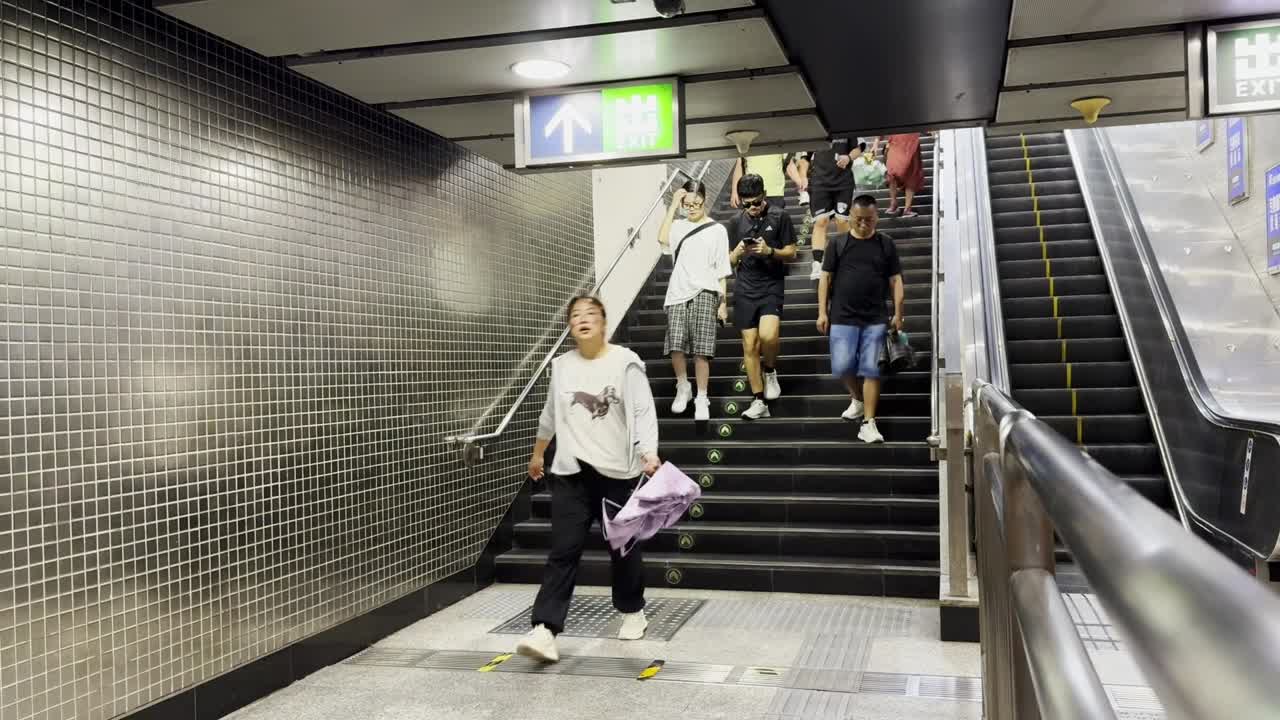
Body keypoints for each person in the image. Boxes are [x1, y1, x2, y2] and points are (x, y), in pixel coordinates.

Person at [518, 296, 662, 663]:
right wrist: (538, 453)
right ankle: (545, 629)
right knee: (563, 550)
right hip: (571, 472)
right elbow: (551, 413)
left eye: (590, 315)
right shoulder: (561, 366)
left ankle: (632, 610)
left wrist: (649, 452)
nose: (582, 320)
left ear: (603, 323)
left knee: (622, 547)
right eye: (575, 316)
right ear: (570, 326)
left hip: (618, 471)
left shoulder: (625, 361)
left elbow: (642, 410)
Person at [815, 194, 904, 444]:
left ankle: (868, 422)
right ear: (851, 218)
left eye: (869, 219)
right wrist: (822, 311)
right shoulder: (837, 243)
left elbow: (896, 280)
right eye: (858, 219)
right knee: (842, 366)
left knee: (871, 369)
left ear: (877, 218)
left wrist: (899, 313)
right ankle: (857, 398)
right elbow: (825, 278)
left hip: (875, 317)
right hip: (842, 316)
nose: (864, 224)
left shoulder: (886, 244)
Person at [658, 179, 731, 422]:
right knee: (676, 345)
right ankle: (683, 386)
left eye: (696, 203)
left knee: (702, 350)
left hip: (706, 292)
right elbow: (662, 239)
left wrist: (723, 302)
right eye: (687, 204)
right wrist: (671, 206)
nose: (691, 208)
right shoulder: (678, 226)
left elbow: (721, 269)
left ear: (704, 200)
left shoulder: (717, 230)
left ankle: (702, 397)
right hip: (677, 292)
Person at [728, 173, 798, 420]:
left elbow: (792, 252)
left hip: (771, 284)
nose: (753, 208)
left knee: (768, 336)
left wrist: (770, 251)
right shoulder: (735, 222)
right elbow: (728, 261)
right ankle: (758, 401)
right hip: (744, 287)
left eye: (756, 202)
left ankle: (770, 370)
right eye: (747, 204)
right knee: (749, 345)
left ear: (764, 195)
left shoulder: (781, 216)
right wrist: (737, 251)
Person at [795, 137, 855, 280]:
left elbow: (858, 148)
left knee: (842, 221)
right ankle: (817, 263)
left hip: (843, 182)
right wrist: (803, 177)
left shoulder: (847, 126)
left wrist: (849, 157)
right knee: (821, 222)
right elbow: (804, 159)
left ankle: (845, 259)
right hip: (819, 183)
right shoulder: (814, 131)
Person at [730, 153, 802, 209]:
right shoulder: (747, 140)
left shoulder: (779, 139)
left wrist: (799, 182)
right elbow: (739, 165)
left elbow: (790, 165)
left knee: (775, 225)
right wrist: (734, 191)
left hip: (775, 194)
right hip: (752, 194)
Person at [883, 132, 925, 218]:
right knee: (891, 173)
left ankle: (907, 209)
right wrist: (876, 142)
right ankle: (893, 204)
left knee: (912, 175)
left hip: (912, 143)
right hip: (895, 142)